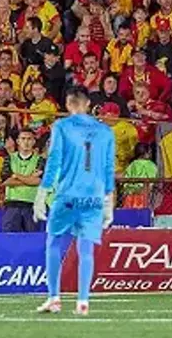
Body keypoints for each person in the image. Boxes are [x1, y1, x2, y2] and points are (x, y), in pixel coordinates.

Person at [33, 87, 115, 316]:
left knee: (53, 242)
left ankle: (54, 298)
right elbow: (109, 167)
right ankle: (83, 302)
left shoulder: (62, 126)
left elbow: (55, 159)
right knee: (86, 248)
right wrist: (109, 201)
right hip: (94, 197)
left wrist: (42, 192)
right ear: (88, 104)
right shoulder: (105, 131)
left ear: (68, 105)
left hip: (68, 195)